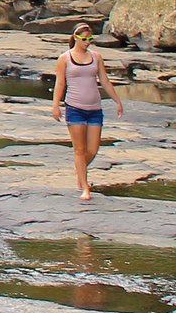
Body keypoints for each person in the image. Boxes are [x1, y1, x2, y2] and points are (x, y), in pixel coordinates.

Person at [51, 21, 124, 201]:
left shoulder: (96, 57)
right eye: (84, 39)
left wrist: (117, 100)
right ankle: (85, 187)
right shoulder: (65, 58)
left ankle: (80, 172)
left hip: (94, 108)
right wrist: (55, 105)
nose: (88, 42)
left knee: (93, 148)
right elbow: (60, 83)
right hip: (75, 107)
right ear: (75, 38)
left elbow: (104, 80)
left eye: (90, 38)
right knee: (79, 149)